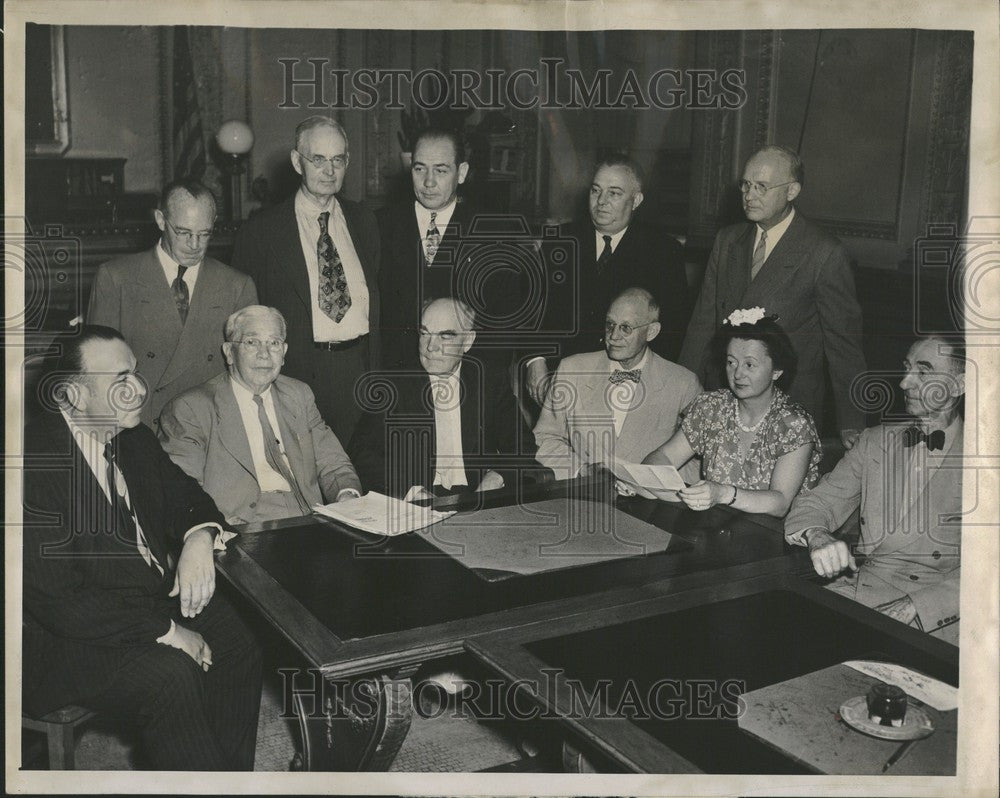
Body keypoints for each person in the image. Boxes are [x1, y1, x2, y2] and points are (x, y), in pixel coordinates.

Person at [22, 325, 262, 770]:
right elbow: (60, 602)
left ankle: (228, 779)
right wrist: (170, 633)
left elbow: (188, 496)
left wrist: (198, 538)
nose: (136, 390)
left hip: (138, 599)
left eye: (135, 373)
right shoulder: (32, 468)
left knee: (238, 642)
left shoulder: (132, 438)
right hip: (68, 640)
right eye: (118, 380)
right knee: (172, 675)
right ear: (71, 396)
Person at [678, 146, 866, 447]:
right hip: (726, 397)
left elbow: (843, 345)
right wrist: (682, 394)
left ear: (792, 190)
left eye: (761, 187)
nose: (749, 195)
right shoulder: (728, 241)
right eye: (746, 185)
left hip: (789, 407)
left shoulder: (824, 253)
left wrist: (852, 422)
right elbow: (702, 324)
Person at [785, 336, 964, 644]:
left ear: (959, 385)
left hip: (940, 614)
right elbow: (816, 503)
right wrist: (818, 536)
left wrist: (916, 607)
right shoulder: (874, 442)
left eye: (924, 371)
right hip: (862, 593)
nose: (905, 382)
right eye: (906, 369)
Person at [232, 116, 380, 442]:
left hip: (360, 373)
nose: (329, 171)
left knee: (361, 478)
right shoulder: (261, 233)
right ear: (298, 162)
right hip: (295, 376)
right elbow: (244, 318)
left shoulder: (366, 221)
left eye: (337, 160)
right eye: (318, 159)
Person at [158, 305, 362, 524]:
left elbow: (333, 463)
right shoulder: (190, 409)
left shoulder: (298, 395)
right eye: (251, 342)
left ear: (283, 353)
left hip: (308, 518)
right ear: (229, 352)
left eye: (273, 343)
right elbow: (182, 493)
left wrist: (346, 497)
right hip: (239, 525)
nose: (264, 354)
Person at [86, 179, 258, 427]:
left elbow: (249, 375)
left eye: (204, 234)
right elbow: (98, 374)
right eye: (184, 232)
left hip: (211, 428)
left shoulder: (237, 286)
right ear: (160, 220)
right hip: (139, 427)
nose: (195, 245)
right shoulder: (116, 279)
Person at [526, 155, 691, 406]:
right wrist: (534, 361)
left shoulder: (663, 251)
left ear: (635, 200)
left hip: (629, 386)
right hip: (560, 382)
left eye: (614, 193)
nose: (601, 202)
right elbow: (530, 310)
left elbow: (672, 329)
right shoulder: (557, 242)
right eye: (596, 191)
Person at [349, 297, 533, 500]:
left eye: (445, 336)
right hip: (417, 500)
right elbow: (362, 452)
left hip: (475, 495)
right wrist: (410, 491)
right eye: (425, 333)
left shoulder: (488, 380)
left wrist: (498, 476)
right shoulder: (394, 383)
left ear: (468, 341)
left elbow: (522, 443)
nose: (430, 347)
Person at [644, 308, 821, 517]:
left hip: (777, 537)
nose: (737, 373)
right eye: (731, 362)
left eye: (749, 364)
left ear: (776, 371)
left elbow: (780, 502)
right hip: (716, 530)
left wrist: (723, 494)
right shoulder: (712, 407)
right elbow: (664, 456)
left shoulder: (793, 424)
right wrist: (644, 482)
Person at [534, 287, 701, 481]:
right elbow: (545, 439)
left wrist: (649, 481)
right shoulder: (572, 370)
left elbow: (701, 462)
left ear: (652, 332)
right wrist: (581, 470)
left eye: (626, 328)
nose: (613, 336)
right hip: (584, 495)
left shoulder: (683, 384)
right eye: (610, 325)